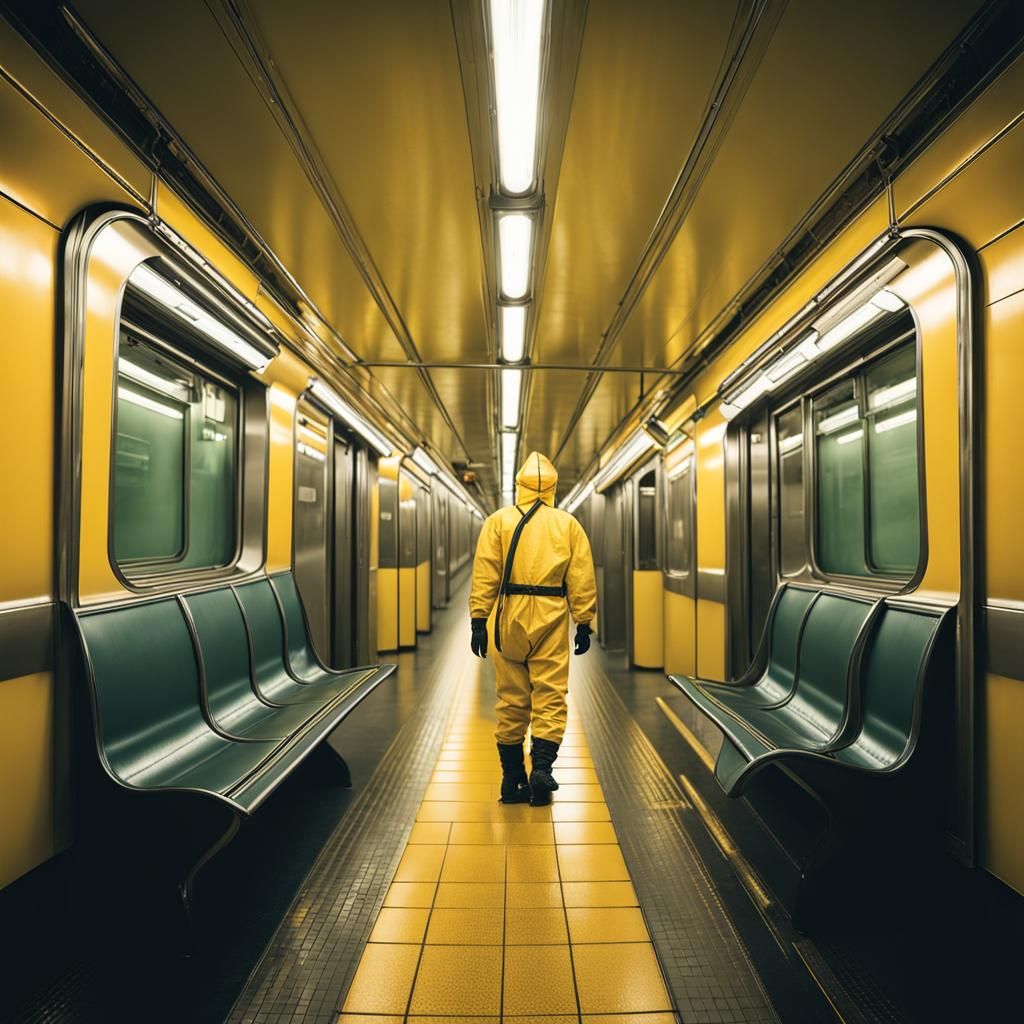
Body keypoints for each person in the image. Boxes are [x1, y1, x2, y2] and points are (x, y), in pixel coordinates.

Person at [468, 451, 597, 806]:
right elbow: (581, 577)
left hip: (508, 614)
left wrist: (479, 619)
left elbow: (486, 573)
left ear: (518, 486)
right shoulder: (567, 525)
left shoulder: (498, 522)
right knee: (550, 693)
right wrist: (584, 621)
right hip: (552, 614)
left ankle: (512, 779)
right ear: (553, 488)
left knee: (510, 698)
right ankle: (542, 768)